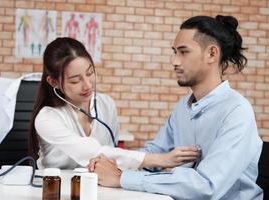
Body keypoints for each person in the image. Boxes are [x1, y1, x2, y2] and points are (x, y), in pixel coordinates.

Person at [89, 15, 264, 199]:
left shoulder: (237, 111)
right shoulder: (183, 107)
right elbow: (154, 154)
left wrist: (122, 177)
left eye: (183, 52)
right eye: (175, 52)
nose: (175, 61)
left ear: (212, 54)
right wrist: (112, 163)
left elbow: (206, 186)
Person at [29, 37, 200, 170]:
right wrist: (162, 159)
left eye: (90, 73)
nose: (88, 85)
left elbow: (111, 154)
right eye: (75, 80)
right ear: (53, 82)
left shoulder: (105, 104)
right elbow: (93, 153)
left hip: (99, 188)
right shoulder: (47, 118)